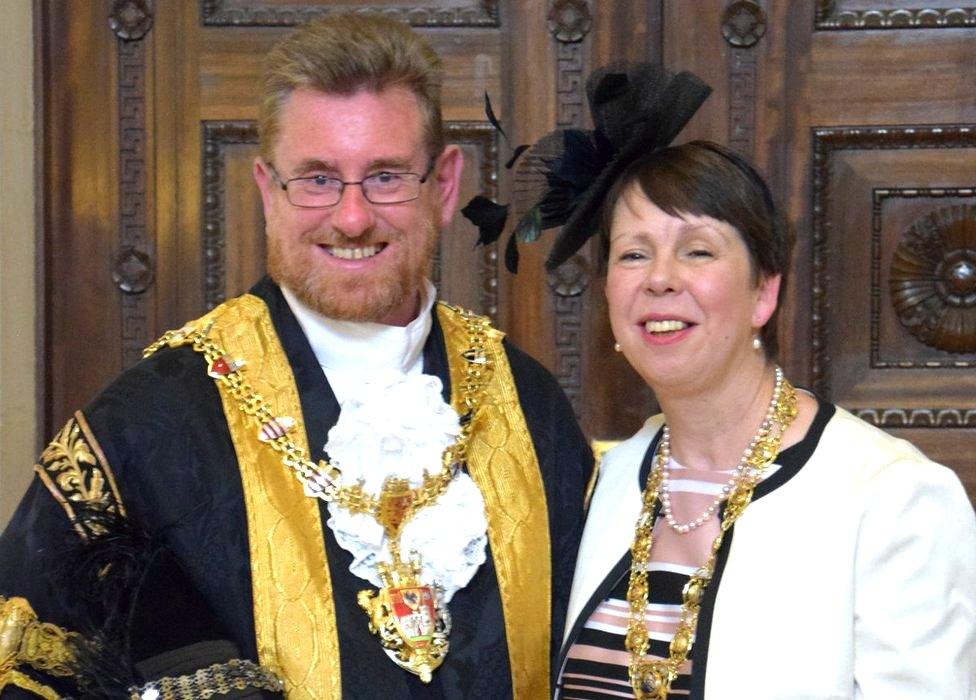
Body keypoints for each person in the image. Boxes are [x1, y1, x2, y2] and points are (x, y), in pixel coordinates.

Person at [0, 14, 592, 700]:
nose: (350, 217)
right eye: (315, 179)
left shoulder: (531, 409)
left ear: (445, 184)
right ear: (264, 189)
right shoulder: (148, 424)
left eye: (386, 176)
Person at [508, 64, 976, 698]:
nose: (660, 279)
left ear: (764, 290)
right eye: (633, 253)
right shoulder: (611, 479)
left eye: (697, 250)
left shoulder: (893, 499)